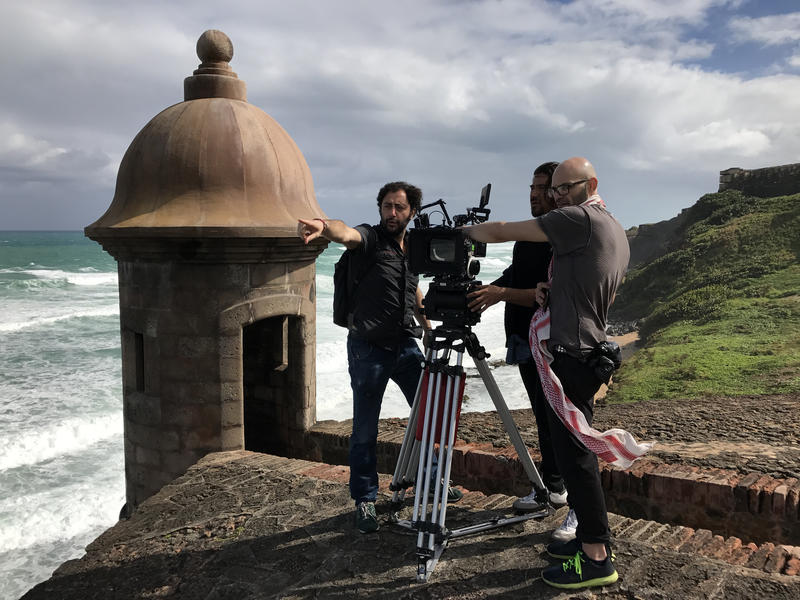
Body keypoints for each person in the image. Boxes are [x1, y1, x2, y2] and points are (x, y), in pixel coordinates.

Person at [462, 157, 633, 590]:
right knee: (573, 453)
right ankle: (589, 545)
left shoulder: (578, 219)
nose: (557, 197)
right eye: (552, 190)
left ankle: (596, 556)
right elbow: (577, 285)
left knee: (576, 458)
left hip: (571, 356)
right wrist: (544, 291)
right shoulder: (610, 225)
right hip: (585, 349)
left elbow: (501, 229)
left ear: (589, 184)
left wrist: (457, 235)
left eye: (564, 188)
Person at [297, 181, 462, 535]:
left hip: (405, 346)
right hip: (367, 348)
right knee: (364, 429)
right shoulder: (371, 239)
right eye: (387, 206)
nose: (391, 213)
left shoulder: (412, 249)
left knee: (427, 415)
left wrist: (428, 327)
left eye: (399, 208)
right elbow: (347, 235)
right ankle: (366, 500)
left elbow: (412, 288)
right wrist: (325, 227)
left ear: (412, 212)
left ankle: (431, 478)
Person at [466, 162, 574, 530]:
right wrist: (490, 290)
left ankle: (571, 497)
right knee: (544, 419)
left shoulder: (556, 234)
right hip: (523, 338)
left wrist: (501, 293)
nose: (533, 193)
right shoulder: (532, 234)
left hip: (546, 340)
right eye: (532, 185)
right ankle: (553, 488)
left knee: (558, 420)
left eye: (542, 187)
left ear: (558, 192)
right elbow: (518, 275)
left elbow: (545, 294)